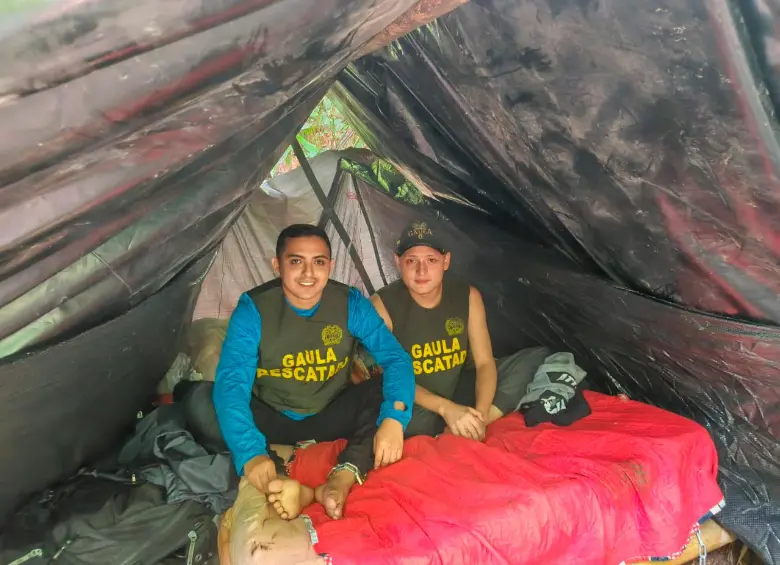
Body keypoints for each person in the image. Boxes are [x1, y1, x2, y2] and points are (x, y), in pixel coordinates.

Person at [184, 224, 415, 522]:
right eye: (296, 261)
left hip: (330, 412)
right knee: (201, 398)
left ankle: (343, 476)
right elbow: (232, 384)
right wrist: (251, 453)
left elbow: (396, 359)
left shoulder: (349, 303)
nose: (308, 273)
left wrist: (394, 420)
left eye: (318, 262)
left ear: (330, 266)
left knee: (389, 392)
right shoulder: (254, 308)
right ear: (276, 265)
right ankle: (282, 479)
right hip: (273, 416)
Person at [368, 220, 551, 439]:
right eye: (411, 261)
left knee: (537, 358)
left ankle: (471, 422)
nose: (421, 270)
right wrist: (446, 409)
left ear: (446, 261)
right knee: (389, 416)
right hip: (418, 399)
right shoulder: (381, 305)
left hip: (459, 388)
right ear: (398, 262)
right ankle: (455, 425)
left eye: (431, 260)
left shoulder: (467, 296)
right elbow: (390, 378)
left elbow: (485, 363)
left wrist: (481, 413)